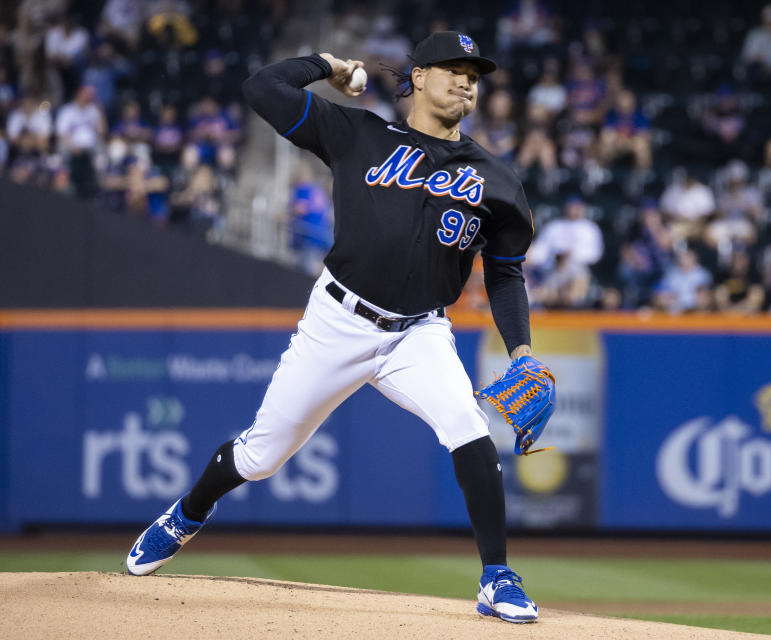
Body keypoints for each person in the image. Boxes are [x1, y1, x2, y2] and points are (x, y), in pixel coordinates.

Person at [125, 31, 543, 624]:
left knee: (469, 430)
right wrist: (326, 65)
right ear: (418, 76)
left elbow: (505, 276)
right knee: (263, 454)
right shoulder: (358, 134)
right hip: (337, 321)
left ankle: (497, 576)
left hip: (419, 332)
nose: (466, 80)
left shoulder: (496, 180)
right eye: (452, 68)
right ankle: (188, 512)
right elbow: (262, 88)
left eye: (474, 73)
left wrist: (521, 349)